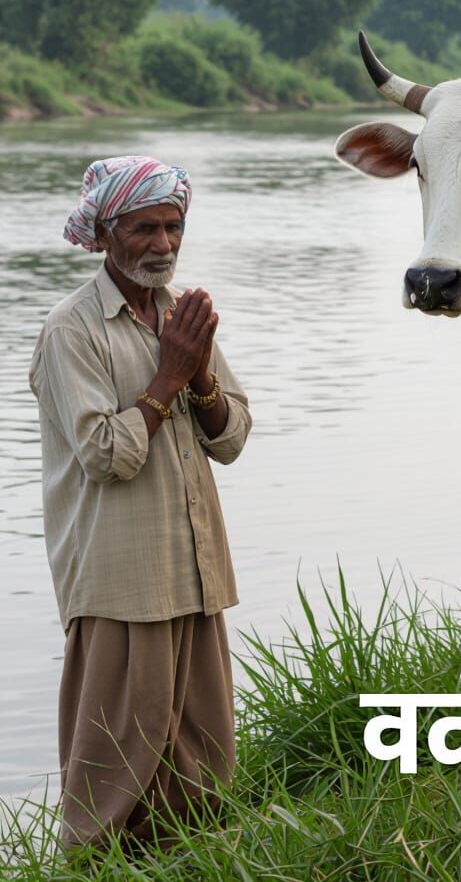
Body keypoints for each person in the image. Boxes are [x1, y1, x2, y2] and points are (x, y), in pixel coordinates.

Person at [29, 155, 252, 851]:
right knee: (110, 775)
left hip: (194, 576)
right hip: (121, 586)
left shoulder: (182, 317)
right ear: (104, 234)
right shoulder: (74, 330)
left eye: (173, 226)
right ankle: (85, 869)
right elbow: (104, 454)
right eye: (145, 228)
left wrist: (202, 376)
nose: (163, 244)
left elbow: (234, 437)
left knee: (203, 769)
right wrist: (169, 377)